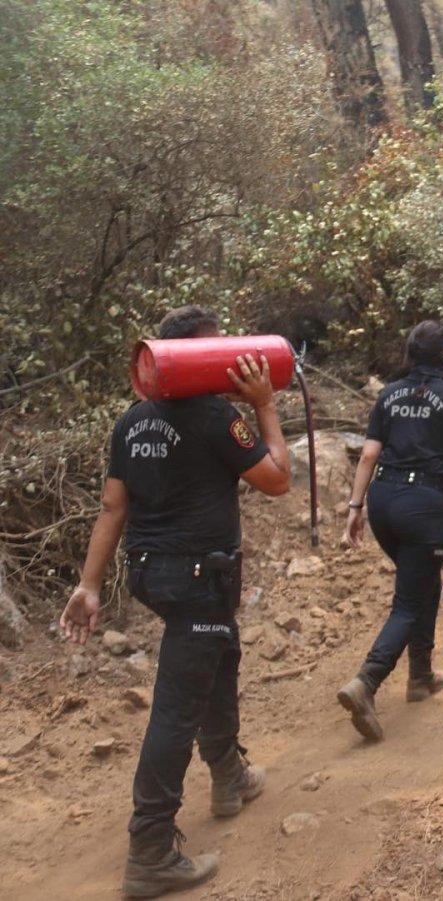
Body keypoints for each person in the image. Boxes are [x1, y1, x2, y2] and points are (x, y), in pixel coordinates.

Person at [58, 305, 292, 898]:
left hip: (152, 576)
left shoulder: (132, 420)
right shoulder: (219, 417)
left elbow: (114, 507)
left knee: (220, 654)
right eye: (218, 349)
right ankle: (151, 850)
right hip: (200, 580)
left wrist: (89, 585)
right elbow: (278, 479)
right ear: (194, 355)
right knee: (175, 708)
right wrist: (264, 404)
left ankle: (229, 775)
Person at [337, 321, 443, 742]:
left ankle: (420, 675)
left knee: (423, 583)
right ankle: (367, 681)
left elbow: (368, 455)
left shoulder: (388, 395)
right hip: (424, 504)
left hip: (383, 502)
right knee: (409, 600)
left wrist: (355, 508)